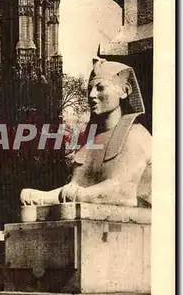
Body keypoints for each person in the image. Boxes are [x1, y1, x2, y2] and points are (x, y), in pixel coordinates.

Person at [20, 58, 152, 208]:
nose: (91, 95)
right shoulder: (90, 139)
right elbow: (73, 188)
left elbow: (122, 192)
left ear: (125, 91)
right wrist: (43, 197)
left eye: (100, 88)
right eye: (89, 89)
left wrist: (75, 195)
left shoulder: (136, 136)